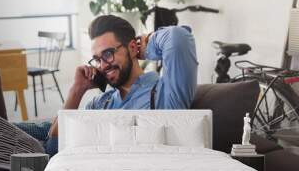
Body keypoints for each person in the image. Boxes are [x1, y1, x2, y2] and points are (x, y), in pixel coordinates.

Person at [44, 15, 198, 156]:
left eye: (107, 54)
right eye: (97, 59)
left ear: (132, 48)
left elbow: (179, 38)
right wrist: (77, 90)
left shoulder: (166, 94)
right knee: (25, 131)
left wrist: (148, 44)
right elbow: (53, 148)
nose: (103, 65)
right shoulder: (100, 103)